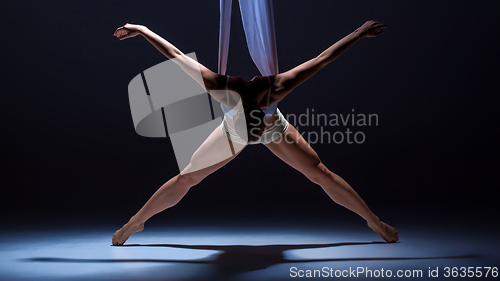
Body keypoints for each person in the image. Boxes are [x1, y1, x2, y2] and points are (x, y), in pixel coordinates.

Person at [111, 20, 398, 245]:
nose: (253, 140)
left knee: (320, 173)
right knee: (187, 176)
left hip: (275, 129)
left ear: (261, 112)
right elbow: (174, 55)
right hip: (231, 131)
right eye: (250, 135)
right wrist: (143, 30)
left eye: (254, 131)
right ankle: (135, 222)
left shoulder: (277, 89)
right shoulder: (220, 89)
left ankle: (373, 220)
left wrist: (359, 33)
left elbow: (322, 59)